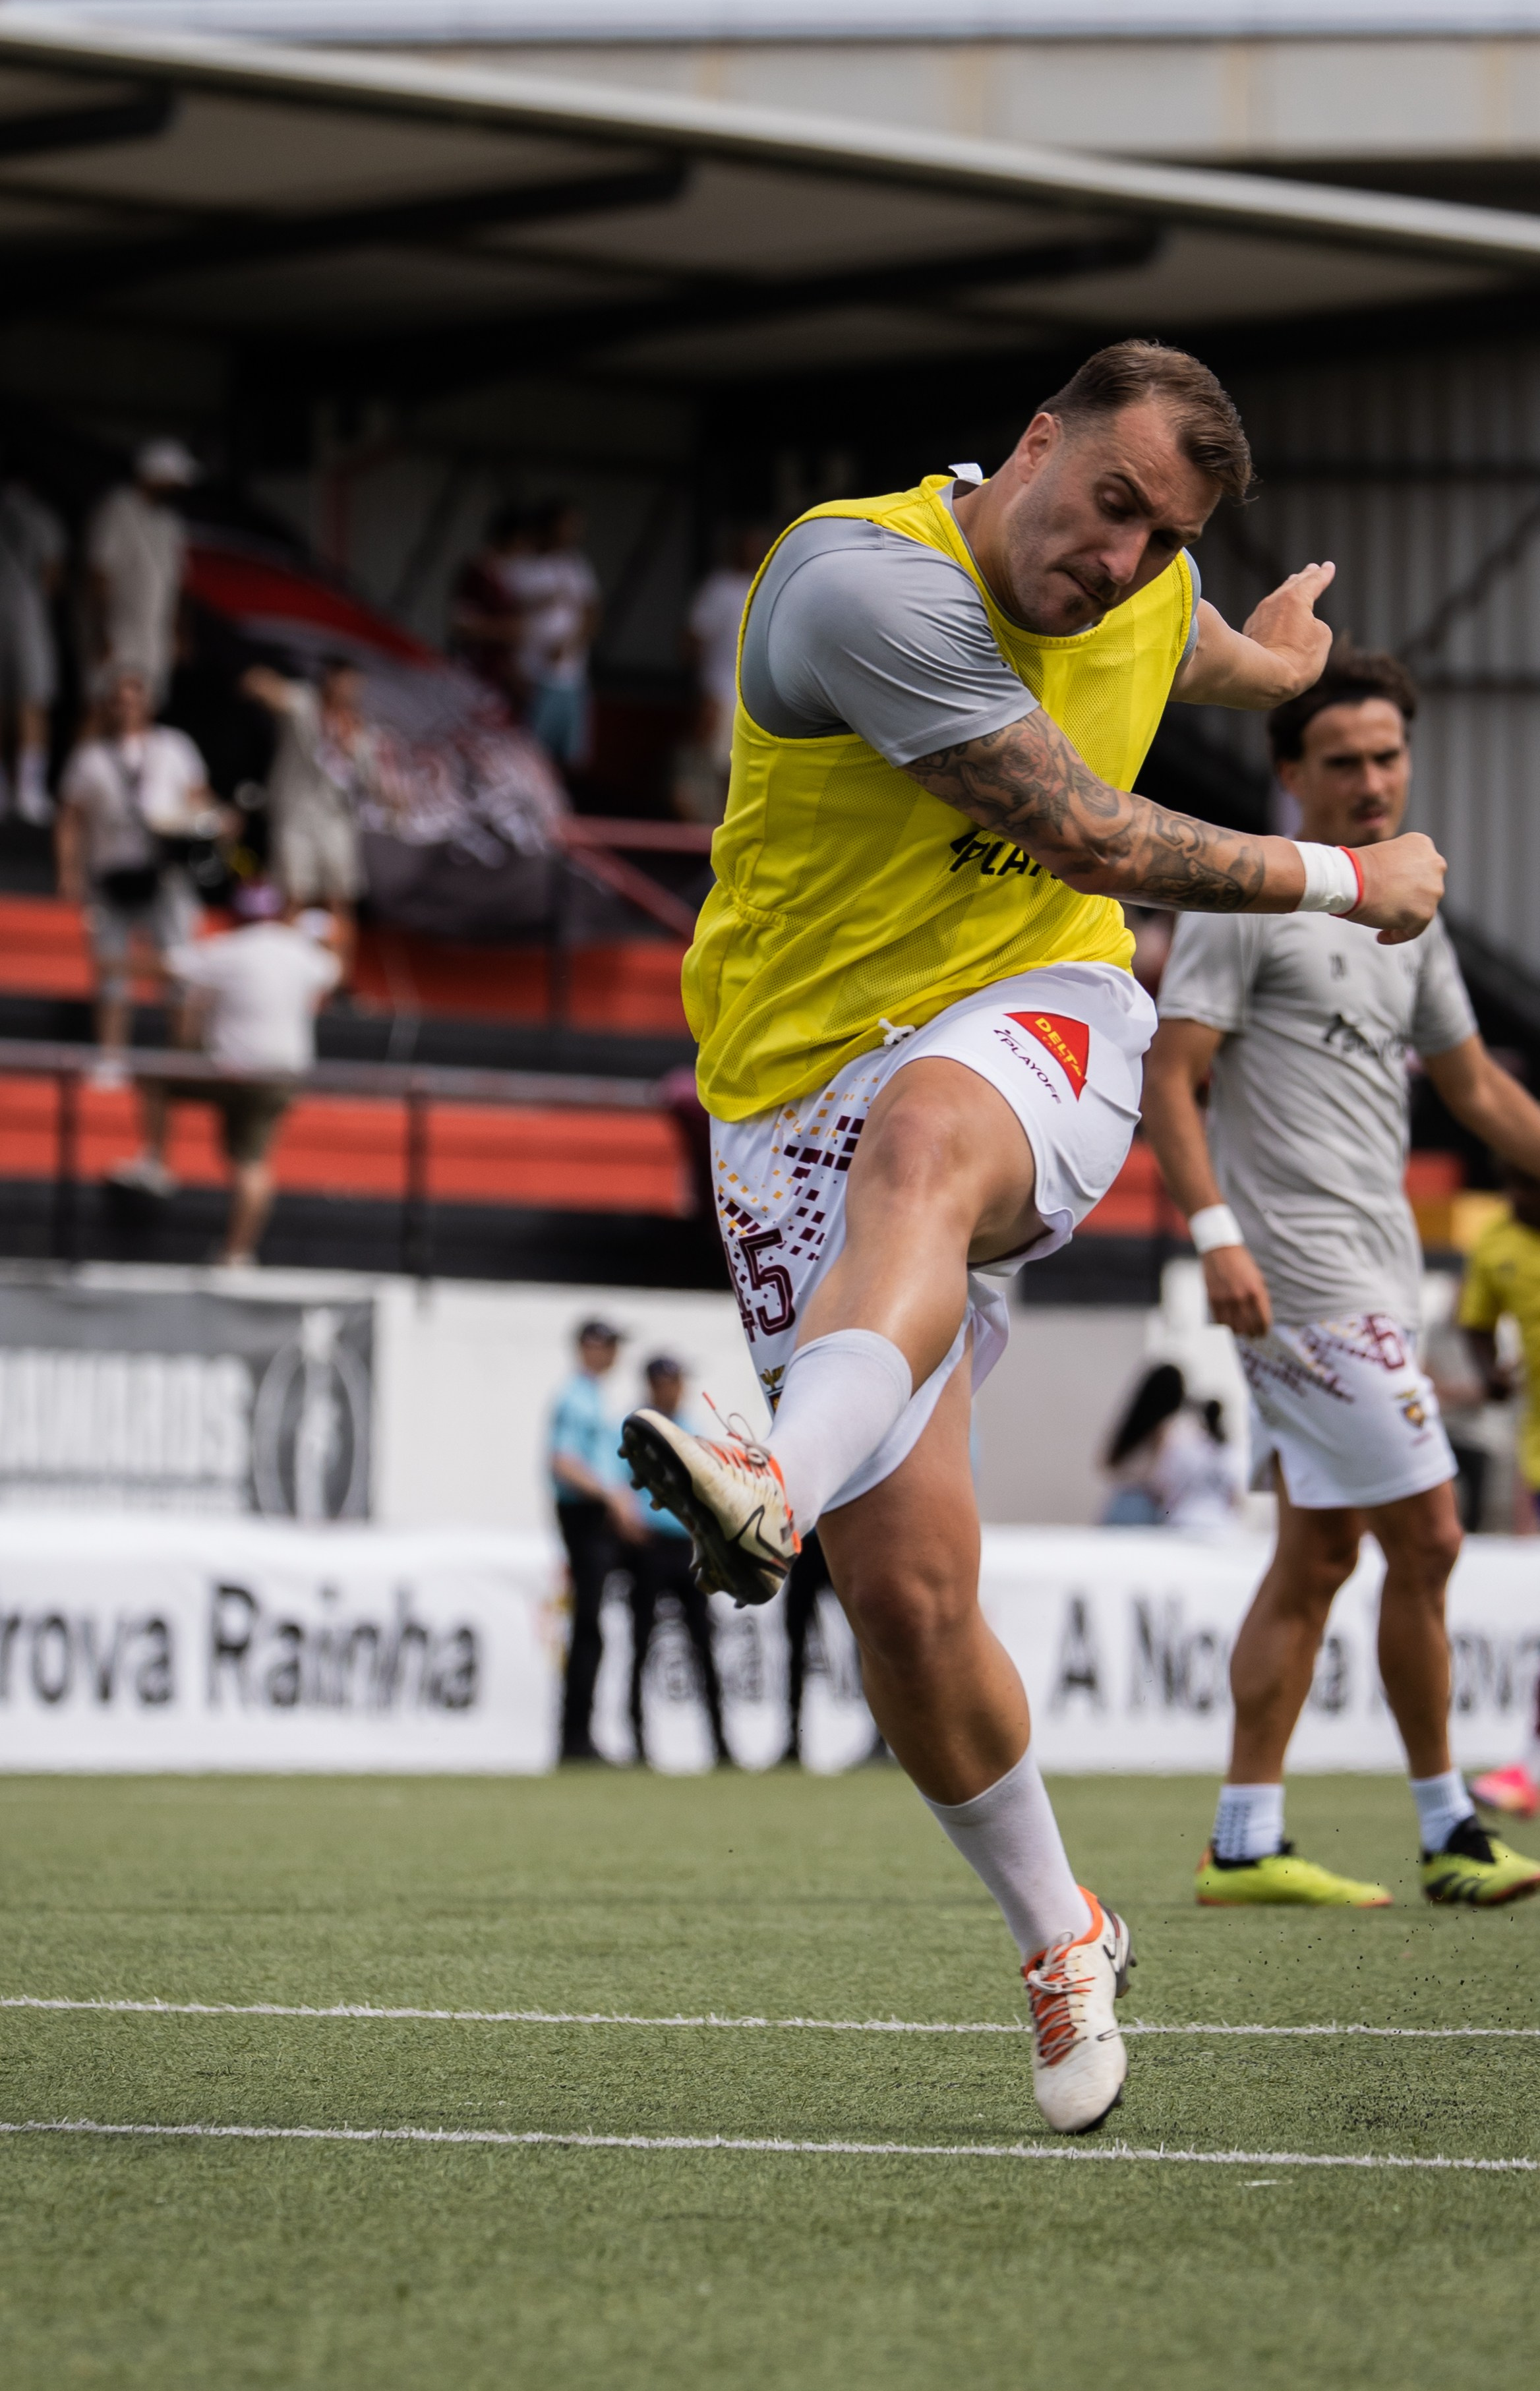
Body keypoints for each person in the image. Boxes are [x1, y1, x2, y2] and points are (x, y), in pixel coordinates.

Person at [616, 338, 1444, 2137]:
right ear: (1032, 444)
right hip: (779, 1105)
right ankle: (1064, 1929)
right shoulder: (861, 585)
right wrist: (1337, 875)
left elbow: (1189, 651)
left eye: (1168, 536)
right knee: (910, 1609)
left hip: (1032, 1026)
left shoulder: (1148, 586)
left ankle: (766, 1464)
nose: (1127, 559)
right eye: (1114, 506)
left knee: (928, 1136)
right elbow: (1074, 817)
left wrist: (1276, 661)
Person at [1142, 641, 1540, 1910]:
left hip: (1382, 1275)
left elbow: (1475, 1090)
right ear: (1288, 770)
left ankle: (1246, 1841)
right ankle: (1449, 1832)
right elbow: (1170, 1077)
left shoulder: (1406, 907)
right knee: (1427, 1532)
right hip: (1297, 1280)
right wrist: (1215, 1237)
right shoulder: (1245, 898)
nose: (1373, 782)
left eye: (1389, 756)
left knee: (1316, 1559)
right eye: (1344, 760)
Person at [118, 883, 343, 1265]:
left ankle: (156, 1163)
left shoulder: (229, 949)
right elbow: (334, 973)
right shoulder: (301, 952)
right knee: (253, 1163)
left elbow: (170, 966)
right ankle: (238, 1254)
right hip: (284, 1072)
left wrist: (115, 962)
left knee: (153, 1075)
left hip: (233, 1068)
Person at [55, 664, 220, 1081]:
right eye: (119, 699)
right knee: (111, 968)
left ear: (149, 703)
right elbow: (70, 818)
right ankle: (111, 1058)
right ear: (108, 706)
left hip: (166, 872)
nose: (127, 707)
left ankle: (181, 1061)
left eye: (135, 697)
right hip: (111, 873)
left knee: (180, 965)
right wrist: (69, 870)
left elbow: (200, 801)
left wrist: (203, 823)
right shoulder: (88, 756)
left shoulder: (175, 747)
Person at [1458, 1166, 1540, 1816]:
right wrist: (1492, 1378)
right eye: (1510, 1182)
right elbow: (1476, 1324)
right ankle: (1532, 1767)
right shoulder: (1497, 1243)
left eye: (1528, 1183)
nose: (1518, 1196)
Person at [625, 1356, 732, 1768]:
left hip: (689, 1546)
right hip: (650, 1545)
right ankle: (637, 1743)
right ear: (654, 1385)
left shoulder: (690, 1427)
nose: (676, 1390)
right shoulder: (636, 1428)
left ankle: (720, 1743)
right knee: (640, 1644)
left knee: (704, 1643)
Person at [549, 1320, 646, 1763]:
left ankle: (582, 1736)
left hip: (597, 1516)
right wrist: (610, 1497)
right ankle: (575, 1740)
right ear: (589, 1347)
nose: (613, 1356)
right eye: (608, 1346)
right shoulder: (576, 1398)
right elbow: (564, 1463)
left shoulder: (592, 1397)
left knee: (594, 1628)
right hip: (584, 1517)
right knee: (588, 1628)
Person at [0, 473, 65, 820]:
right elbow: (52, 577)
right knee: (31, 702)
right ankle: (29, 793)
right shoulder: (45, 517)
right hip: (29, 619)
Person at [241, 659, 378, 921]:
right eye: (345, 680)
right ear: (330, 677)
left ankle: (338, 962)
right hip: (296, 816)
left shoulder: (359, 729)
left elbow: (369, 778)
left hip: (336, 819)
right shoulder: (306, 704)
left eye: (355, 684)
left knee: (340, 897)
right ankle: (288, 958)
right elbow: (272, 690)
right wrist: (257, 680)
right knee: (294, 895)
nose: (349, 689)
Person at [85, 439, 195, 710]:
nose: (178, 487)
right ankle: (84, 755)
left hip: (155, 634)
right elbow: (99, 572)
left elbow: (176, 581)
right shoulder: (117, 507)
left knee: (146, 709)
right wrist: (101, 631)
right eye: (173, 479)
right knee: (103, 707)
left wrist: (179, 631)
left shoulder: (171, 522)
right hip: (120, 632)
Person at [676, 524, 772, 819]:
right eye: (747, 545)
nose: (752, 551)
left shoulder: (763, 587)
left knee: (738, 775)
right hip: (720, 693)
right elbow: (692, 639)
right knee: (712, 771)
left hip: (752, 698)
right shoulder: (718, 587)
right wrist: (703, 690)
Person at [510, 500, 599, 769]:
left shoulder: (577, 567)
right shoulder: (523, 567)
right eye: (567, 525)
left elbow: (593, 613)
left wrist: (572, 645)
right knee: (530, 755)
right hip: (533, 676)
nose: (573, 532)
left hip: (571, 677)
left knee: (569, 759)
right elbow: (507, 615)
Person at [1100, 1361, 1240, 1529]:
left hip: (1121, 1502)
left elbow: (1110, 1464)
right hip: (1146, 1505)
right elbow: (1161, 1476)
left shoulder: (1137, 1423)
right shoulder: (1167, 1430)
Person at [450, 506, 532, 709]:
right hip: (474, 678)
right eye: (525, 540)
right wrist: (509, 630)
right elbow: (462, 626)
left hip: (500, 679)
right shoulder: (477, 573)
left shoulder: (509, 577)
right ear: (513, 538)